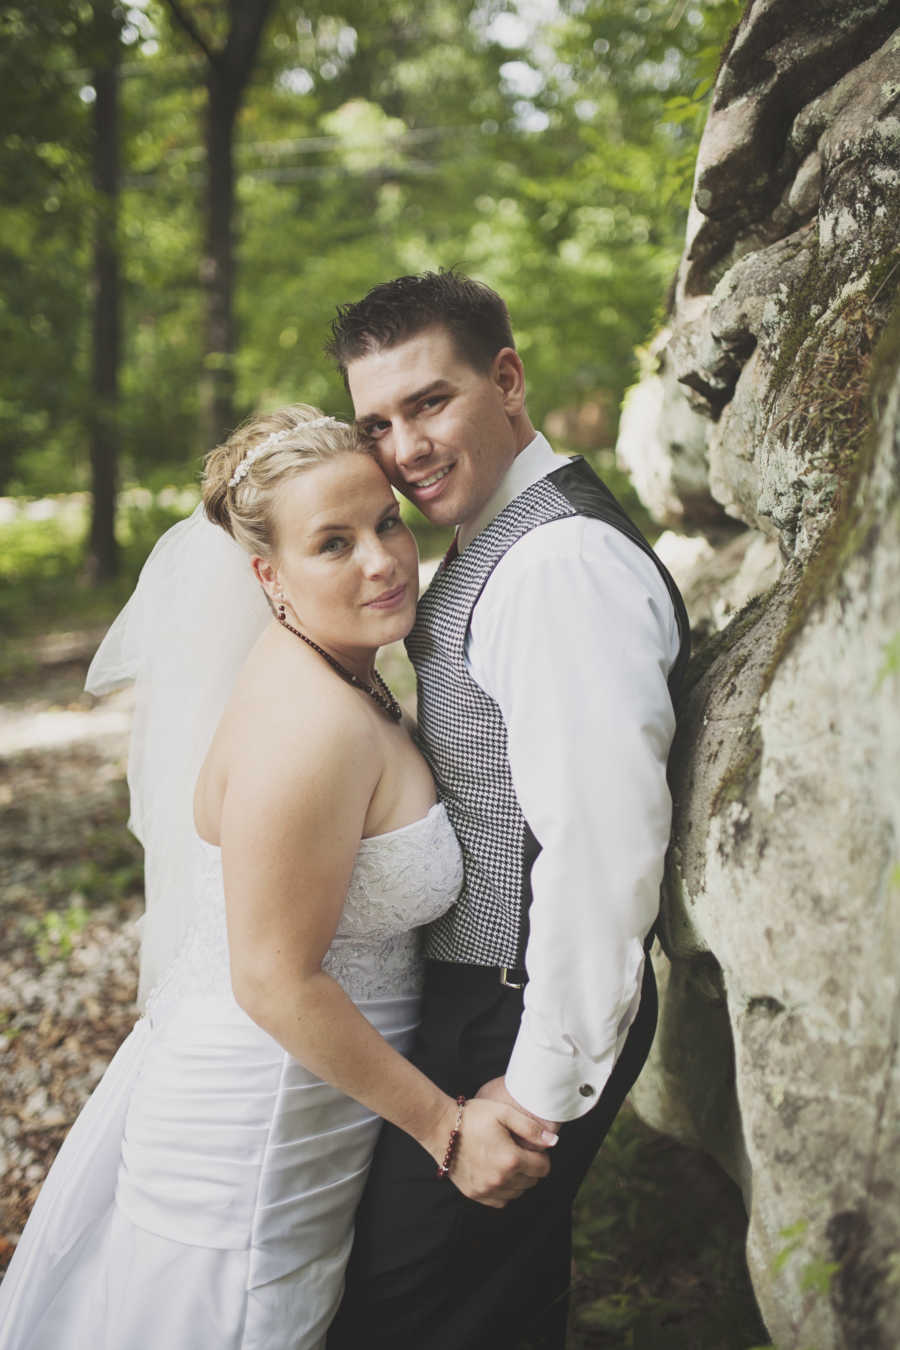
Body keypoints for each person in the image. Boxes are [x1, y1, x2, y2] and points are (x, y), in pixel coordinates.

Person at [0, 405, 555, 1350]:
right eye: (331, 544)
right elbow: (272, 976)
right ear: (269, 576)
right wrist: (448, 1130)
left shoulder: (335, 669)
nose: (382, 560)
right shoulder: (307, 725)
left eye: (384, 521)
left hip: (316, 1104)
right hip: (261, 1130)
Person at [324, 272, 691, 1350]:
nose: (404, 447)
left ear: (508, 379)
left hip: (517, 1009)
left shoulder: (558, 562)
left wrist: (532, 1093)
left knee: (412, 1309)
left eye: (430, 403)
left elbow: (603, 850)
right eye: (377, 423)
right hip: (482, 999)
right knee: (487, 1311)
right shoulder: (501, 536)